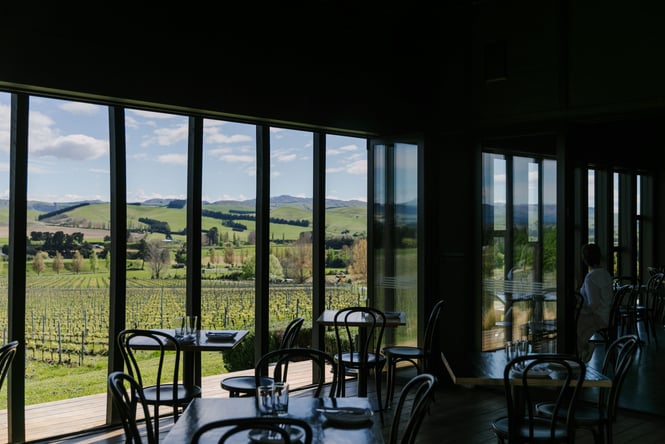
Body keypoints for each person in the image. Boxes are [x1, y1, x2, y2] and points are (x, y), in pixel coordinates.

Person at [577, 243, 614, 362]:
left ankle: (581, 351)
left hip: (599, 318)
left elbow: (594, 304)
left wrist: (579, 310)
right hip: (607, 316)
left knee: (571, 322)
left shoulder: (591, 278)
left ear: (585, 259)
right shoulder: (605, 273)